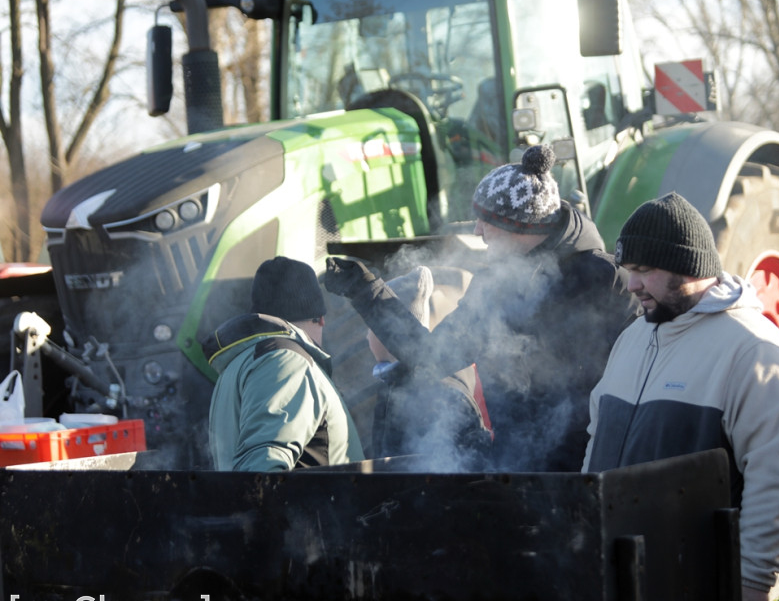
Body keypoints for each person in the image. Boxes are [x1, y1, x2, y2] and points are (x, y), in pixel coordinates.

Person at [325, 144, 635, 472]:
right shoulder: (492, 286)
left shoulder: (606, 280)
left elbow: (637, 380)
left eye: (485, 220)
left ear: (520, 226)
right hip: (514, 467)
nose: (476, 231)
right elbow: (430, 356)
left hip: (589, 469)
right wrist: (366, 291)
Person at [581, 192, 779, 601]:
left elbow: (776, 474)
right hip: (627, 576)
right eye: (630, 271)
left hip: (710, 585)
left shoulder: (752, 349)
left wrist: (751, 580)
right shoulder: (634, 338)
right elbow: (596, 439)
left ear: (689, 268)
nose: (632, 285)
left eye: (645, 271)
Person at [203, 256, 364, 471]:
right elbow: (261, 471)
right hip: (315, 505)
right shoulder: (287, 361)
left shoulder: (237, 365)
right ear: (320, 318)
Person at [367, 265, 492, 469]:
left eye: (371, 328)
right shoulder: (393, 384)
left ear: (389, 333)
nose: (366, 336)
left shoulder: (442, 393)